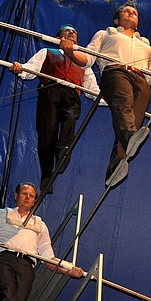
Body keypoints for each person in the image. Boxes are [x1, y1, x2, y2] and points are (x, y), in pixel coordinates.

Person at [60, 3, 151, 185]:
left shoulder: (147, 47)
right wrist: (71, 53)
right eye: (126, 11)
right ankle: (129, 136)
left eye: (134, 12)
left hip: (141, 80)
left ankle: (116, 165)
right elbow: (88, 58)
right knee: (124, 104)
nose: (131, 13)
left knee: (134, 119)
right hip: (115, 72)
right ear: (116, 20)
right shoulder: (106, 34)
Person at [0, 182, 85, 301]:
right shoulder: (0, 214)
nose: (27, 197)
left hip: (26, 266)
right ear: (16, 195)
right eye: (24, 194)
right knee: (8, 297)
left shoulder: (40, 225)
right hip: (3, 260)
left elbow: (48, 258)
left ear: (34, 201)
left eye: (31, 196)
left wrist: (68, 271)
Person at [11, 25, 101, 194]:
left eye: (74, 32)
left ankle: (63, 150)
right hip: (50, 90)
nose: (72, 32)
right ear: (58, 37)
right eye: (67, 30)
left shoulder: (83, 62)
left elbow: (93, 89)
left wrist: (109, 100)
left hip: (72, 93)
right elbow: (32, 68)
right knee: (47, 132)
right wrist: (20, 68)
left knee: (71, 118)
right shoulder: (47, 52)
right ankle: (47, 173)